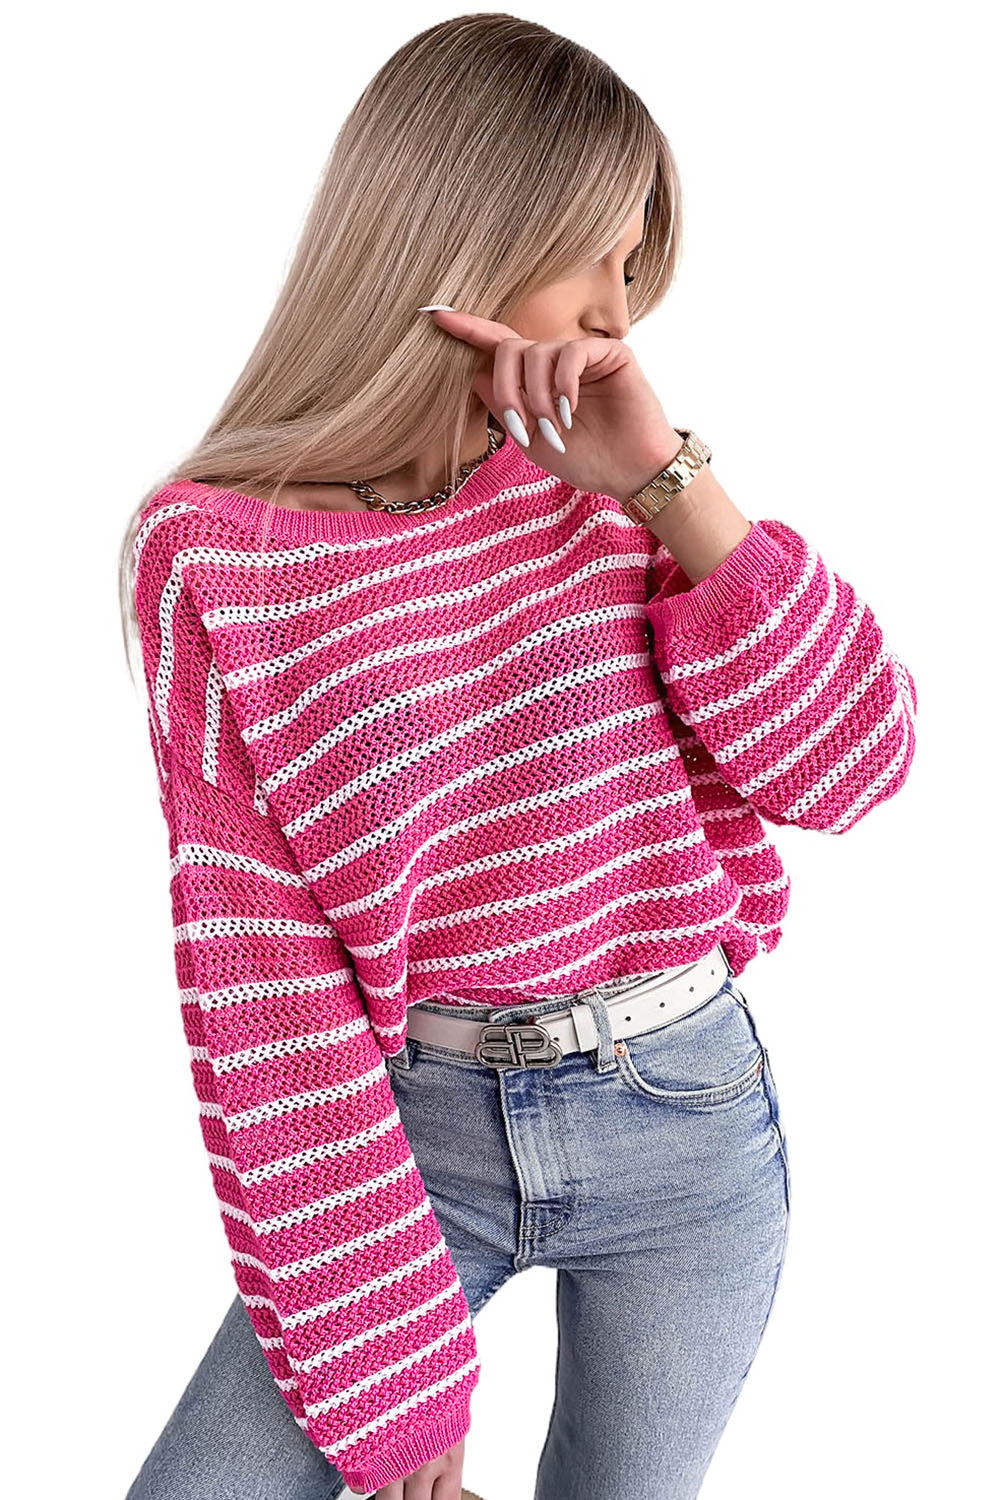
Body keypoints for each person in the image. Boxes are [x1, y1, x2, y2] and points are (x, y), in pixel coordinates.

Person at [118, 14, 917, 1500]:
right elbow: (262, 980)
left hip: (687, 1114)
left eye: (636, 265)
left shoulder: (614, 481)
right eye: (595, 261)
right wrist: (393, 1384)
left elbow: (856, 768)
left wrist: (670, 484)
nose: (618, 314)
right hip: (413, 1139)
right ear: (474, 238)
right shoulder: (218, 552)